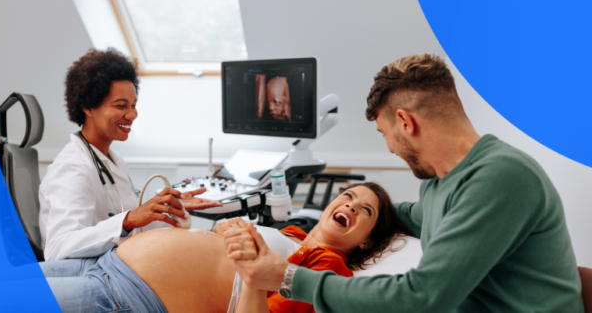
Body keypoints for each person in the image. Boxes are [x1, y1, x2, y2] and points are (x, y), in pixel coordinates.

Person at [228, 54, 584, 312]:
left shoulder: (500, 178)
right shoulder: (437, 185)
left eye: (385, 134)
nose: (390, 148)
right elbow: (401, 213)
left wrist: (288, 277)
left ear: (405, 122)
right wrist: (350, 211)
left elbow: (423, 296)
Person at [38, 182, 411, 313]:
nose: (348, 205)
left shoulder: (326, 268)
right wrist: (226, 227)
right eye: (347, 196)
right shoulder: (295, 233)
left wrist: (251, 260)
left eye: (364, 210)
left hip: (125, 295)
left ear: (366, 240)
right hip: (103, 261)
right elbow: (220, 246)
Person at [39, 48, 221, 261]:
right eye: (120, 106)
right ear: (88, 107)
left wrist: (169, 208)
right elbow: (57, 248)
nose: (132, 115)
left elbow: (134, 222)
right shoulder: (72, 167)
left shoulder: (114, 160)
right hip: (93, 274)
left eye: (133, 105)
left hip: (120, 262)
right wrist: (127, 219)